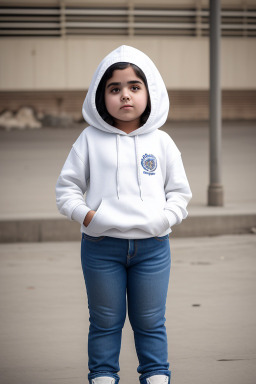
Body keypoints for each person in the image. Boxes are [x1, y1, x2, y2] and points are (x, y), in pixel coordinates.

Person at [56, 45, 192, 384]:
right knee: (104, 320)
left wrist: (163, 219)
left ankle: (156, 375)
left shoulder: (162, 143)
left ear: (150, 92)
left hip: (153, 249)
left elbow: (180, 194)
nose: (125, 96)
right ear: (101, 96)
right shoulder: (89, 139)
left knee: (150, 321)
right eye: (114, 89)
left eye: (134, 87)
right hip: (101, 247)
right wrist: (88, 216)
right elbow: (66, 189)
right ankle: (102, 376)